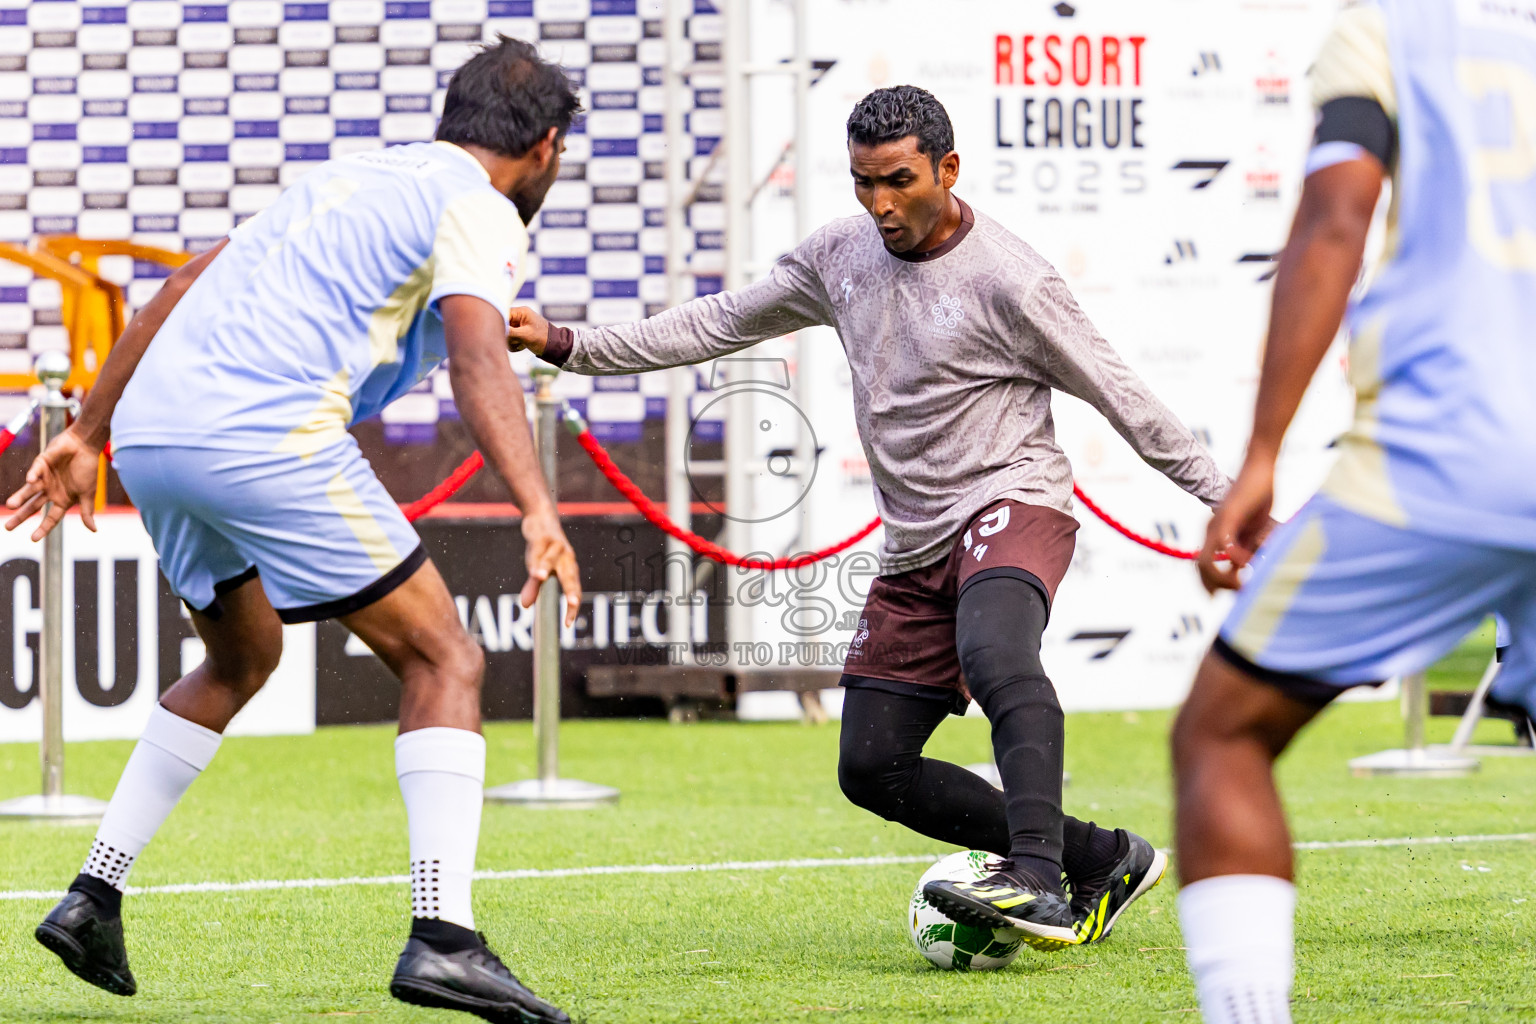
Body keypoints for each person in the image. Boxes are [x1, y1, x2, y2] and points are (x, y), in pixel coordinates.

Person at [509, 85, 1229, 950]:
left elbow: (1128, 401)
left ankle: (1037, 876)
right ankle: (1100, 856)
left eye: (898, 181)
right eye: (862, 183)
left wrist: (1236, 506)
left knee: (998, 653)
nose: (881, 205)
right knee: (870, 765)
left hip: (1013, 498)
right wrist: (568, 344)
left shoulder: (1015, 280)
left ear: (947, 169)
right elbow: (720, 322)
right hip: (915, 539)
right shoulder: (840, 256)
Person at [16, 37, 583, 1024]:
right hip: (265, 431)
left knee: (241, 655)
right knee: (445, 657)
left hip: (153, 432)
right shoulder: (483, 208)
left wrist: (89, 431)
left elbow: (188, 279)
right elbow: (477, 358)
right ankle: (445, 938)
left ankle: (93, 893)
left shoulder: (354, 175)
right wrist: (539, 505)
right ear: (544, 147)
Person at [1172, 2, 1536, 1020]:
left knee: (1224, 734)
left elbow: (1338, 216)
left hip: (1450, 456)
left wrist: (1259, 456)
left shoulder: (1390, 28)